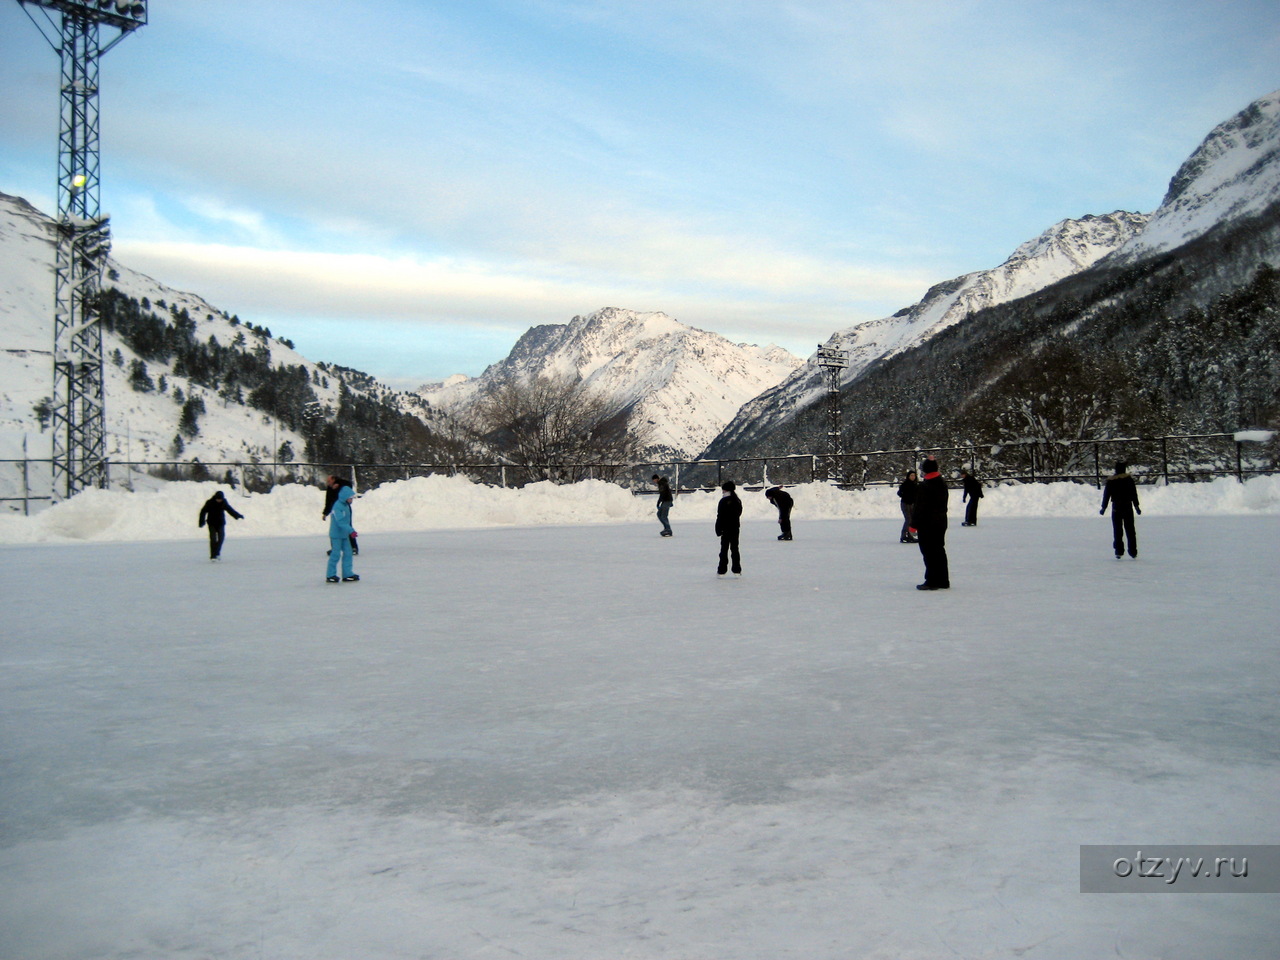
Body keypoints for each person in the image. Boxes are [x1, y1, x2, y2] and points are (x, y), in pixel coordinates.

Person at [913, 457, 950, 590]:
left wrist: (913, 524)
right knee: (939, 550)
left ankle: (932, 580)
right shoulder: (942, 483)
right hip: (941, 521)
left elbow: (920, 507)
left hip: (927, 524)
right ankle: (943, 580)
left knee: (929, 552)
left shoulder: (925, 486)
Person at [1100, 461, 1141, 559]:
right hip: (1127, 507)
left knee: (1117, 530)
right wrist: (1136, 506)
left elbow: (1106, 495)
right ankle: (1133, 551)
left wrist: (1103, 508)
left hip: (1116, 509)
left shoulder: (1111, 481)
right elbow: (1133, 494)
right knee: (1130, 530)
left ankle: (1118, 551)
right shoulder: (1128, 480)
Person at [325, 475, 359, 583]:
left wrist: (350, 530)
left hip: (344, 535)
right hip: (336, 535)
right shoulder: (337, 506)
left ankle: (347, 573)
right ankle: (331, 575)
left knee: (348, 553)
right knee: (335, 554)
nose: (351, 499)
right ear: (345, 496)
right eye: (350, 497)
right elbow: (340, 522)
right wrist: (351, 531)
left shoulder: (345, 506)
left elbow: (347, 521)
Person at [197, 490, 244, 561]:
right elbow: (203, 512)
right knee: (213, 539)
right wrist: (201, 521)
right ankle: (213, 556)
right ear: (215, 498)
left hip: (220, 523)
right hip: (212, 523)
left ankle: (217, 553)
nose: (219, 500)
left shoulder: (224, 503)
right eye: (218, 499)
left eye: (220, 499)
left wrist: (238, 515)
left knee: (221, 538)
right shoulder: (209, 502)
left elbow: (230, 509)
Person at [715, 480, 743, 577]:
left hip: (725, 529)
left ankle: (722, 570)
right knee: (735, 549)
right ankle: (737, 570)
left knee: (724, 549)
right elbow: (738, 513)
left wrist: (718, 529)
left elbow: (720, 516)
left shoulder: (723, 501)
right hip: (735, 528)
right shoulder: (737, 500)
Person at [896, 470, 919, 543]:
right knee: (908, 519)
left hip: (912, 504)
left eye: (914, 476)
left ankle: (909, 536)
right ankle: (903, 536)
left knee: (912, 520)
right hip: (905, 504)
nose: (913, 477)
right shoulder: (905, 484)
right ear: (908, 476)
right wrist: (906, 497)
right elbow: (899, 493)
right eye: (911, 475)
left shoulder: (915, 485)